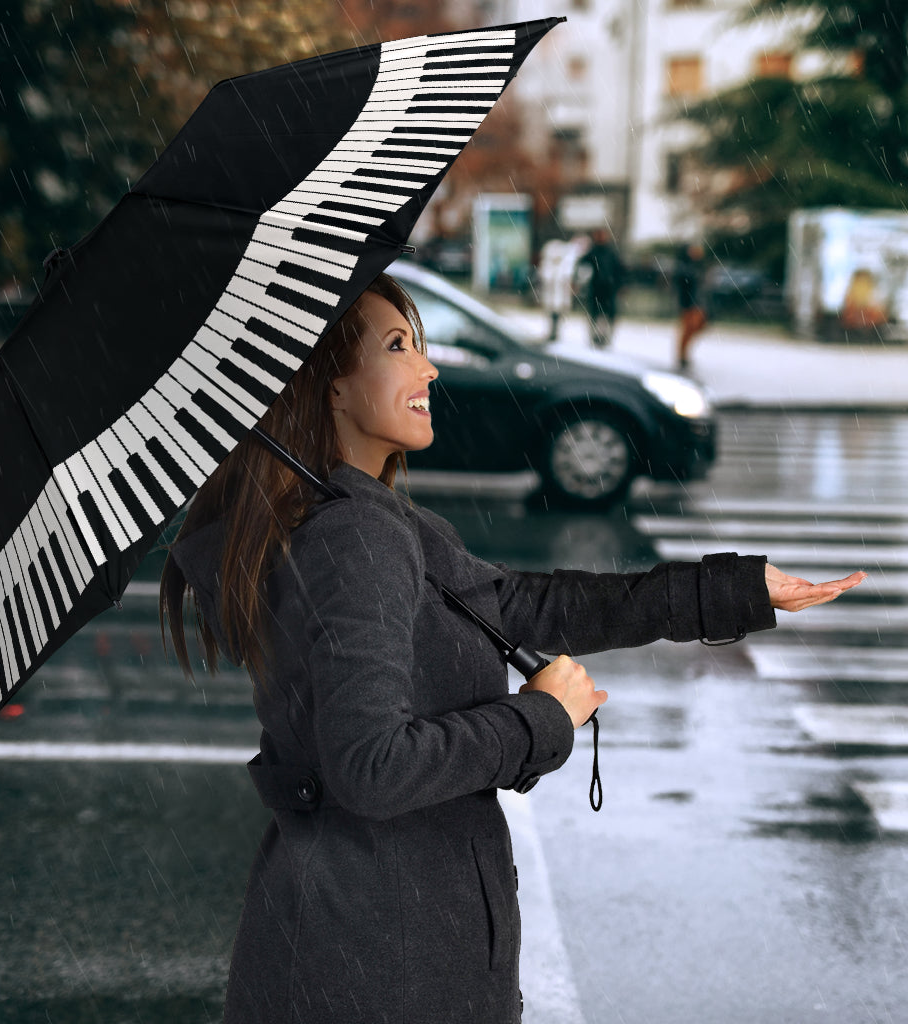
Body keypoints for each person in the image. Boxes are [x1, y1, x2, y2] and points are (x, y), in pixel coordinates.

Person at [160, 273, 864, 1024]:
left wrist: (731, 591)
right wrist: (539, 719)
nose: (429, 368)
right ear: (330, 386)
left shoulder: (358, 520)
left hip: (362, 942)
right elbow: (372, 767)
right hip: (384, 963)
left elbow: (524, 605)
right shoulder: (355, 537)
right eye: (398, 347)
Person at [575, 227, 625, 348]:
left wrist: (620, 285)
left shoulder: (611, 253)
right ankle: (595, 336)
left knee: (606, 314)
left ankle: (604, 337)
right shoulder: (593, 252)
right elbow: (582, 266)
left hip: (609, 289)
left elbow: (619, 270)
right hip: (596, 289)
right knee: (595, 313)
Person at [675, 242, 708, 370]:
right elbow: (684, 283)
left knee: (697, 326)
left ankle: (683, 354)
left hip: (697, 302)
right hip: (689, 303)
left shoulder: (698, 266)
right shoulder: (685, 267)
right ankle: (682, 355)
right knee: (688, 328)